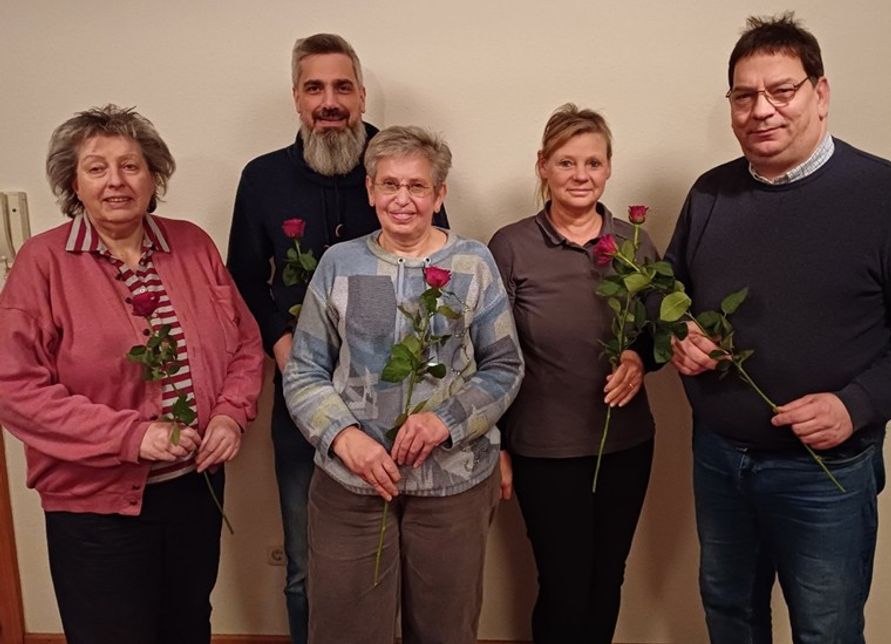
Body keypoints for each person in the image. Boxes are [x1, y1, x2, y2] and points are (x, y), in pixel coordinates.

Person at [666, 13, 891, 643]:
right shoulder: (710, 195)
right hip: (719, 458)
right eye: (744, 96)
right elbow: (670, 293)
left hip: (824, 470)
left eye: (782, 90)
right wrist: (678, 336)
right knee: (729, 613)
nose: (762, 110)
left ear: (820, 94)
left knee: (825, 629)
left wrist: (853, 405)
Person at [0, 104, 264, 644]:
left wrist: (231, 417)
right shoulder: (42, 262)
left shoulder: (191, 244)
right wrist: (133, 435)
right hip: (96, 507)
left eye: (131, 165)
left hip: (195, 490)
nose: (116, 181)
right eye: (97, 168)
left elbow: (245, 343)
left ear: (154, 175)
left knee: (188, 625)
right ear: (72, 182)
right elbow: (16, 389)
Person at [225, 33, 449, 644]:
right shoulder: (263, 178)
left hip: (400, 401)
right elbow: (242, 276)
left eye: (342, 87)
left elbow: (441, 273)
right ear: (296, 98)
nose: (330, 101)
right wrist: (278, 341)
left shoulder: (401, 166)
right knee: (307, 566)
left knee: (405, 567)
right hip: (308, 393)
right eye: (315, 88)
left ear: (361, 95)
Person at [283, 125, 523, 644]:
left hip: (452, 486)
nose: (402, 200)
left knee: (444, 629)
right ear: (370, 191)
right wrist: (346, 437)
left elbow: (504, 367)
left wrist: (445, 420)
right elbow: (303, 371)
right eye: (389, 185)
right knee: (347, 629)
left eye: (417, 186)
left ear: (439, 195)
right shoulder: (338, 264)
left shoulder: (472, 263)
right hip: (353, 485)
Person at [488, 104, 658, 644]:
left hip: (626, 443)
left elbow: (661, 331)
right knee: (563, 584)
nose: (580, 175)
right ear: (542, 166)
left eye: (592, 162)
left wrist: (636, 358)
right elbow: (486, 353)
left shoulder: (634, 245)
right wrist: (496, 444)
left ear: (608, 168)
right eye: (566, 162)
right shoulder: (510, 246)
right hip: (544, 448)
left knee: (608, 578)